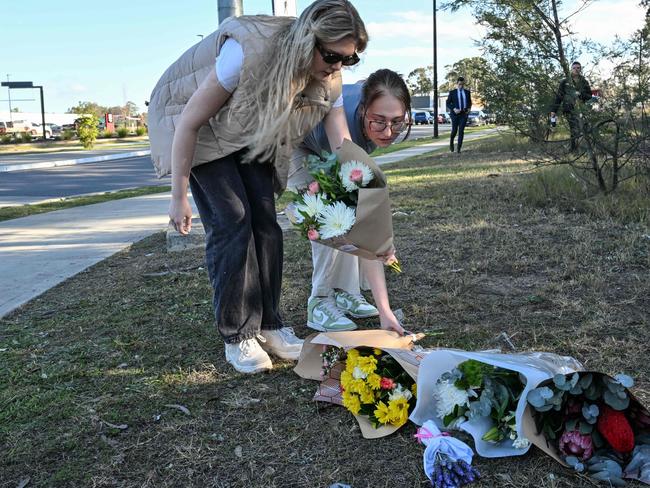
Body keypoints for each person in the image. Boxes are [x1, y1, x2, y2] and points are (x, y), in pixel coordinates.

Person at [147, 0, 368, 374]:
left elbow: (342, 142)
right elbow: (189, 122)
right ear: (307, 41)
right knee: (233, 219)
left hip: (245, 129)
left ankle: (270, 325)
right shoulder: (246, 52)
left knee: (265, 222)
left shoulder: (329, 75)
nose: (338, 66)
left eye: (350, 60)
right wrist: (178, 196)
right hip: (191, 123)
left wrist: (362, 192)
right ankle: (239, 335)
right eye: (332, 55)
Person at [288, 69, 411, 335]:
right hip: (297, 145)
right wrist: (385, 308)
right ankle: (320, 301)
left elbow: (367, 217)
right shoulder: (345, 129)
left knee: (349, 213)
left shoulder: (372, 117)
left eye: (397, 121)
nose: (389, 131)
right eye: (379, 121)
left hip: (332, 149)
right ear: (363, 110)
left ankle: (346, 292)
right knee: (327, 219)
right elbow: (365, 228)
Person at [550, 61, 592, 151]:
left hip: (581, 109)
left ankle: (583, 148)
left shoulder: (584, 81)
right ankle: (573, 149)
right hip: (569, 109)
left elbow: (589, 96)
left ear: (580, 69)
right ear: (571, 69)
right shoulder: (565, 82)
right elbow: (559, 97)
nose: (576, 70)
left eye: (578, 68)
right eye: (574, 68)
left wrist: (580, 94)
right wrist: (554, 110)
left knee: (583, 128)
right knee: (574, 128)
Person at [446, 77, 472, 153]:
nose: (461, 86)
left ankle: (459, 149)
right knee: (454, 130)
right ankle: (451, 142)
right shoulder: (452, 92)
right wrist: (454, 109)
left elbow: (469, 102)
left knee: (461, 131)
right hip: (455, 114)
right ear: (457, 84)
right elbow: (448, 103)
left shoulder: (467, 92)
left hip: (463, 114)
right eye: (460, 84)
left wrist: (469, 108)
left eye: (463, 84)